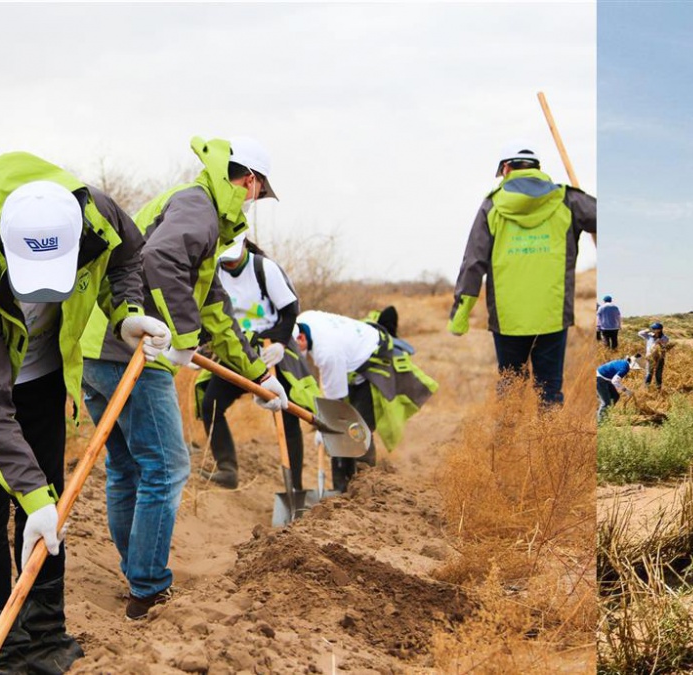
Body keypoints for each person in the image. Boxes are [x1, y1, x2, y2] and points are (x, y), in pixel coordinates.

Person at [0, 152, 160, 670]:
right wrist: (31, 493)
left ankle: (44, 631)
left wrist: (128, 312)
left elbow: (128, 258)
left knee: (46, 510)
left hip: (42, 378)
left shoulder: (95, 217)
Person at [81, 137, 284, 620]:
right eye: (257, 193)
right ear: (249, 181)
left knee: (129, 468)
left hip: (99, 347)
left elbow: (216, 307)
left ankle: (138, 575)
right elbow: (159, 262)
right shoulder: (199, 207)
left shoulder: (195, 209)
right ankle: (149, 589)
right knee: (168, 467)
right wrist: (183, 334)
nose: (255, 203)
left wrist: (259, 375)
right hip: (133, 351)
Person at [450, 143, 598, 406]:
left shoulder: (492, 205)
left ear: (506, 169)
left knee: (511, 386)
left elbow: (474, 261)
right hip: (551, 314)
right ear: (538, 170)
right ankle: (550, 445)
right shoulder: (568, 199)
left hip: (508, 317)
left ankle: (509, 446)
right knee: (549, 390)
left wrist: (461, 314)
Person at [193, 235, 299, 490]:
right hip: (237, 349)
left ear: (243, 246)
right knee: (211, 405)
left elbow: (290, 309)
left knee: (286, 412)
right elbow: (210, 315)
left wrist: (280, 344)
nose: (229, 265)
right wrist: (200, 348)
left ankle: (294, 486)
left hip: (268, 348)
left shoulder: (264, 268)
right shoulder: (214, 271)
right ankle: (227, 469)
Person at [292, 308, 437, 492]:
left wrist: (323, 427)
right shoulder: (304, 319)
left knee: (357, 429)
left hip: (374, 363)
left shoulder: (328, 352)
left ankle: (366, 483)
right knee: (341, 428)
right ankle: (342, 488)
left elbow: (334, 405)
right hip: (354, 365)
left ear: (302, 338)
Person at [595, 355, 639, 422]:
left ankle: (604, 415)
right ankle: (600, 421)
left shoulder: (624, 362)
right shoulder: (625, 368)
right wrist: (626, 390)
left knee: (615, 396)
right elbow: (615, 381)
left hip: (606, 378)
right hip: (600, 378)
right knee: (606, 402)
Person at [637, 322, 670, 389]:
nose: (654, 331)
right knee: (649, 373)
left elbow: (664, 344)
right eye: (653, 329)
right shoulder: (649, 336)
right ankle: (646, 388)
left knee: (658, 374)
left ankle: (658, 388)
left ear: (660, 330)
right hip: (650, 357)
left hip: (660, 357)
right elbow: (640, 333)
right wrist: (647, 330)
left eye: (656, 329)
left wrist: (659, 341)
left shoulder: (664, 337)